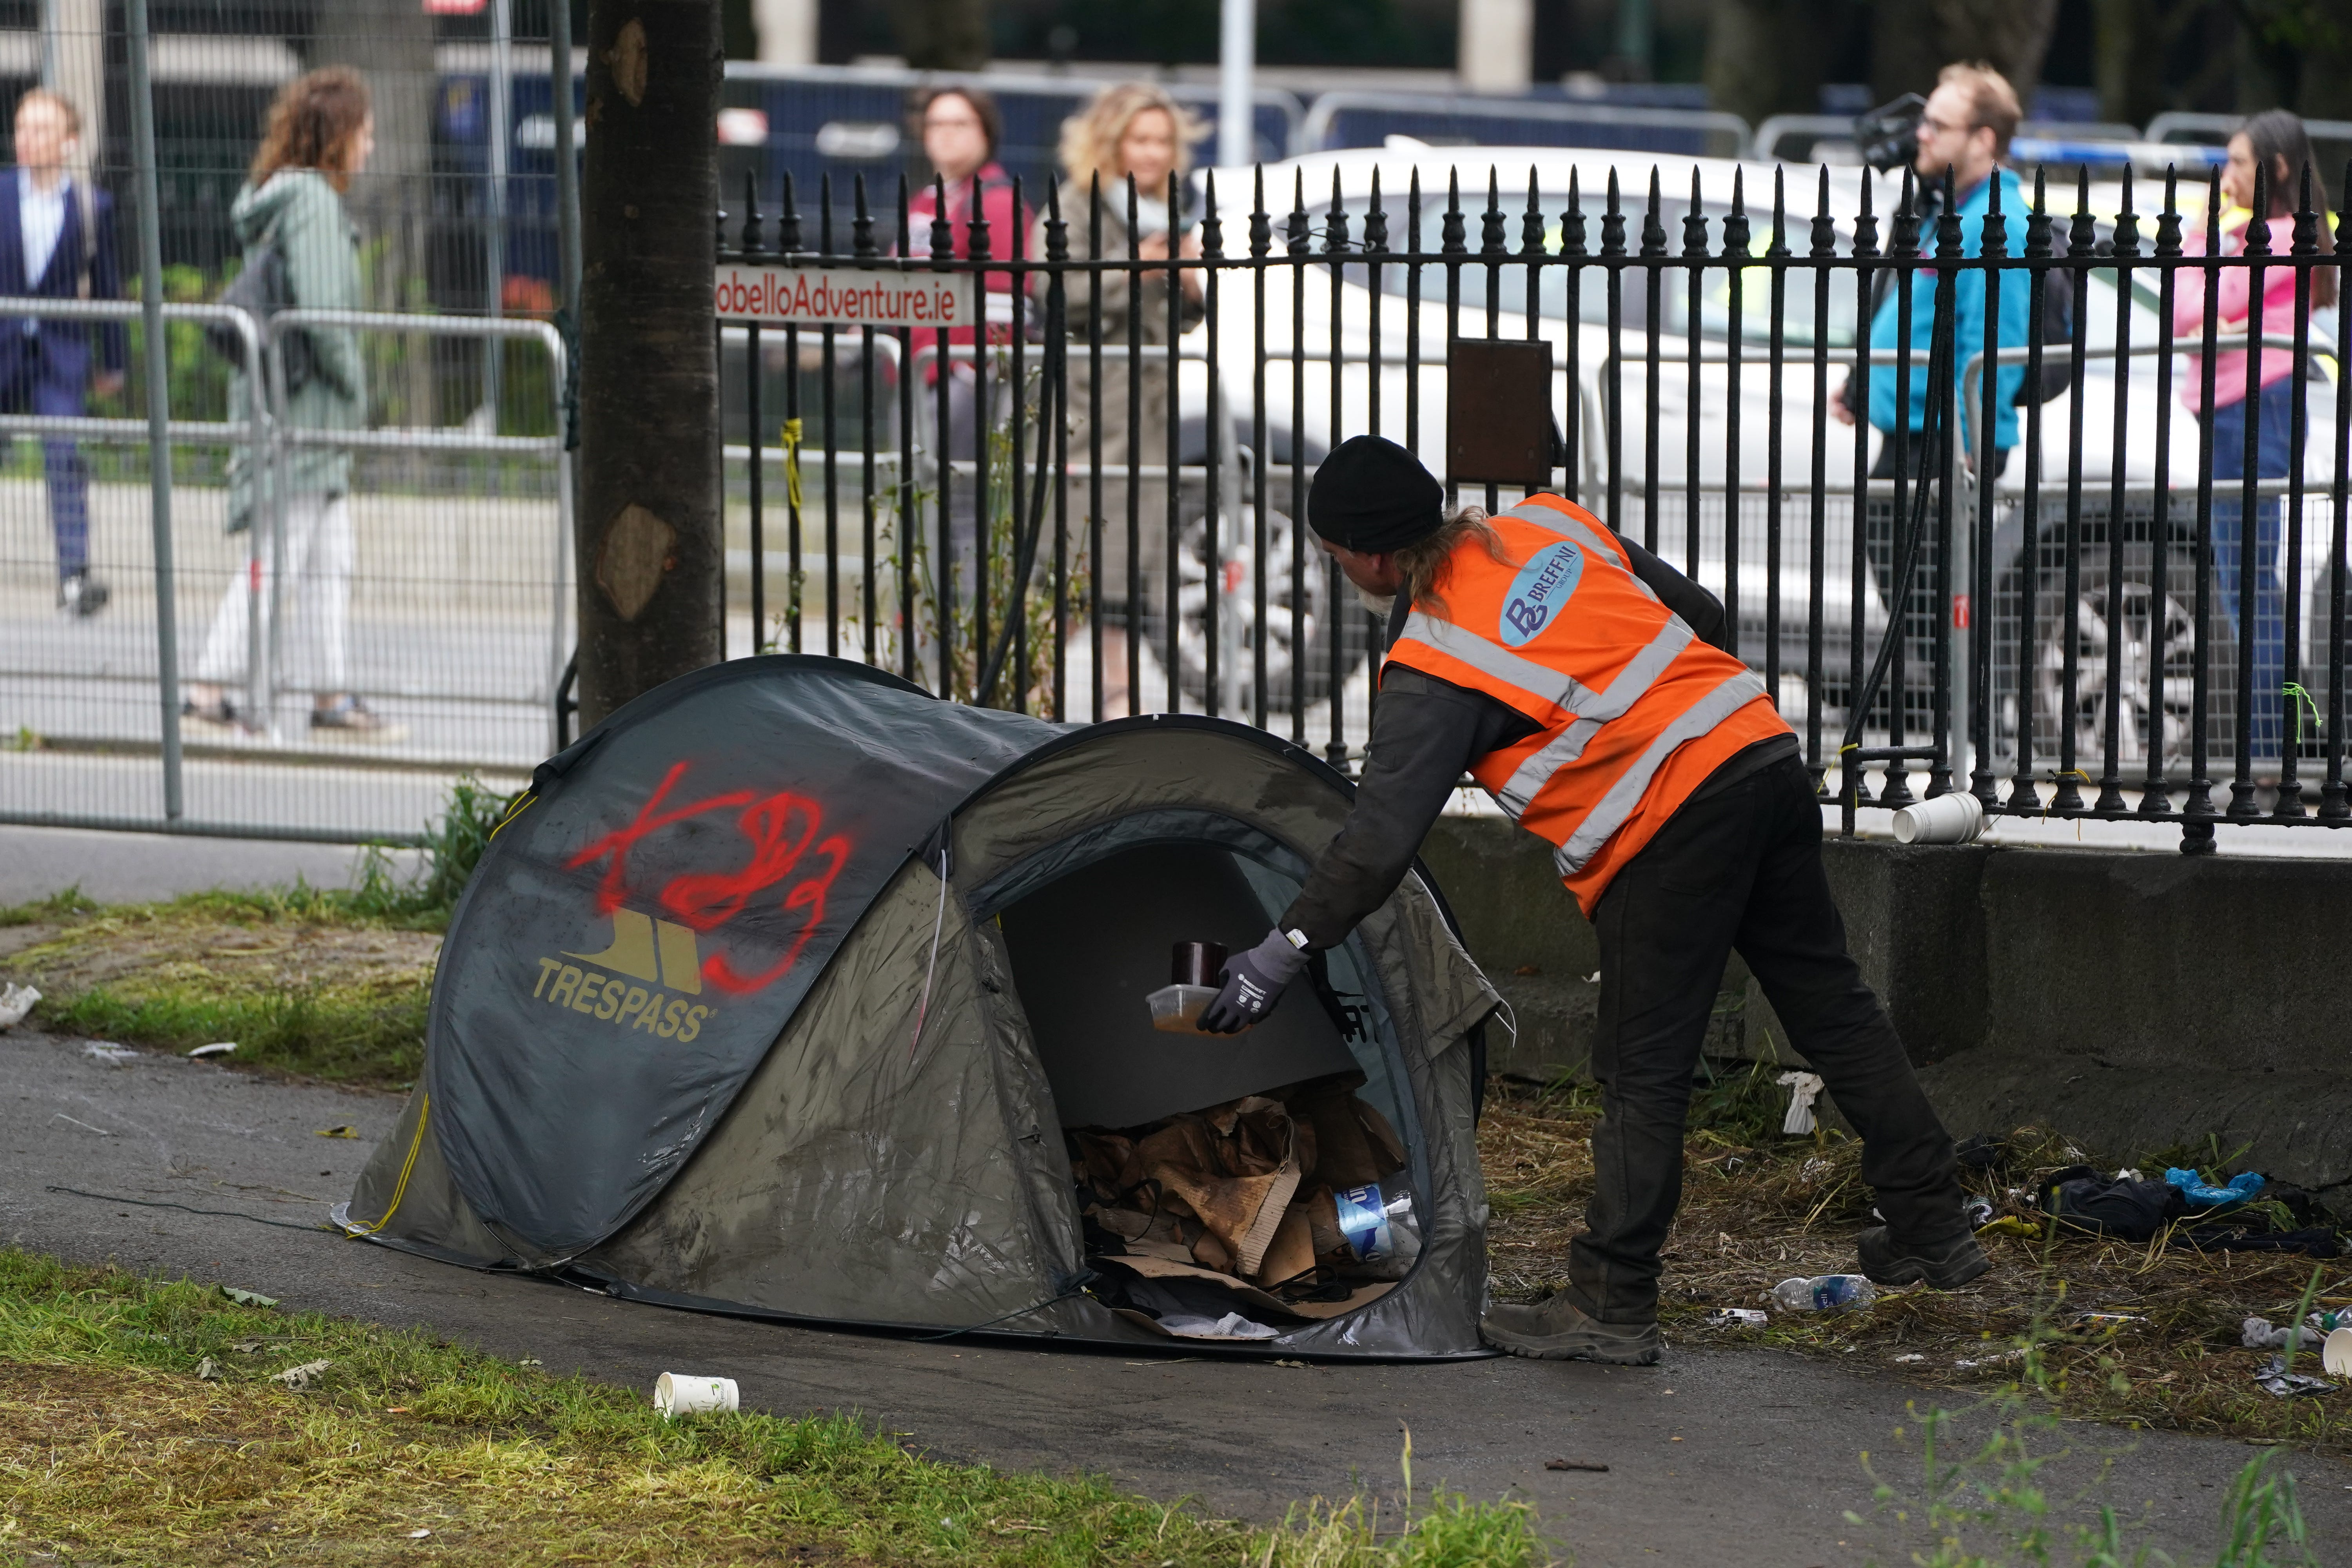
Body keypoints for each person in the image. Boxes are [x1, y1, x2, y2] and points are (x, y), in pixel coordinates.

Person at [1195, 436, 1983, 1365]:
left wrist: (1281, 950)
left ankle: (1611, 1299)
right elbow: (1701, 613)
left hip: (1668, 830)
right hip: (1760, 758)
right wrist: (1682, 729)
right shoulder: (1546, 522)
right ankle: (1933, 1223)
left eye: (1336, 562)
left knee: (1642, 1068)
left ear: (1368, 558)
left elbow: (1376, 843)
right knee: (1833, 1005)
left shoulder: (1433, 657)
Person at [184, 68, 397, 739]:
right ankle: (209, 686)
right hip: (307, 411)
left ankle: (331, 695)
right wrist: (357, 389)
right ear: (338, 136)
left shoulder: (275, 196)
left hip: (288, 406)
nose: (370, 147)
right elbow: (328, 314)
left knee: (329, 556)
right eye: (364, 133)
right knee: (281, 556)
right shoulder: (310, 202)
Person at [1033, 82, 1205, 712]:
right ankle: (1031, 690)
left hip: (1150, 419)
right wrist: (1139, 264)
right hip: (1086, 415)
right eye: (1141, 139)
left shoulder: (1174, 212)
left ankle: (1119, 701)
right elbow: (1056, 295)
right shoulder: (1076, 206)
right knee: (1076, 568)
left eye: (1163, 140)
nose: (1155, 153)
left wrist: (1189, 285)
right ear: (1111, 141)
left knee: (1129, 574)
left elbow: (1180, 319)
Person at [2175, 110, 2337, 766]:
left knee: (2252, 592)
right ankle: (2278, 751)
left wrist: (2196, 236)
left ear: (2272, 168)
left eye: (2238, 162)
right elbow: (2196, 306)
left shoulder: (2286, 237)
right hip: (2235, 410)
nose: (2227, 173)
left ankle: (2269, 757)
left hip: (2255, 410)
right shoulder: (2252, 238)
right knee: (2251, 590)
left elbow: (2194, 308)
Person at [1833, 62, 2034, 478]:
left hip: (1948, 445)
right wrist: (1862, 385)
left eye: (1939, 126)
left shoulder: (1996, 223)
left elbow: (1994, 346)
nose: (1922, 134)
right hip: (1920, 435)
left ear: (1983, 141)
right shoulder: (1957, 210)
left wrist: (1971, 440)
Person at [902, 88, 1031, 622]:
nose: (947, 133)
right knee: (925, 501)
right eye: (937, 123)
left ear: (986, 132)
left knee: (958, 506)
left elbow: (1006, 296)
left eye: (960, 123)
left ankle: (967, 625)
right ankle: (933, 620)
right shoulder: (927, 200)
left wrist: (964, 364)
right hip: (919, 373)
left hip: (961, 375)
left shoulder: (997, 201)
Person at [0, 88, 123, 617]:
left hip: (60, 352)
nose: (27, 139)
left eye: (42, 129)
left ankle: (74, 576)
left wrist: (113, 361)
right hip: (3, 346)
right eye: (23, 127)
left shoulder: (93, 208)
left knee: (64, 456)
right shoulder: (1, 193)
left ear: (69, 142)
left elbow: (109, 286)